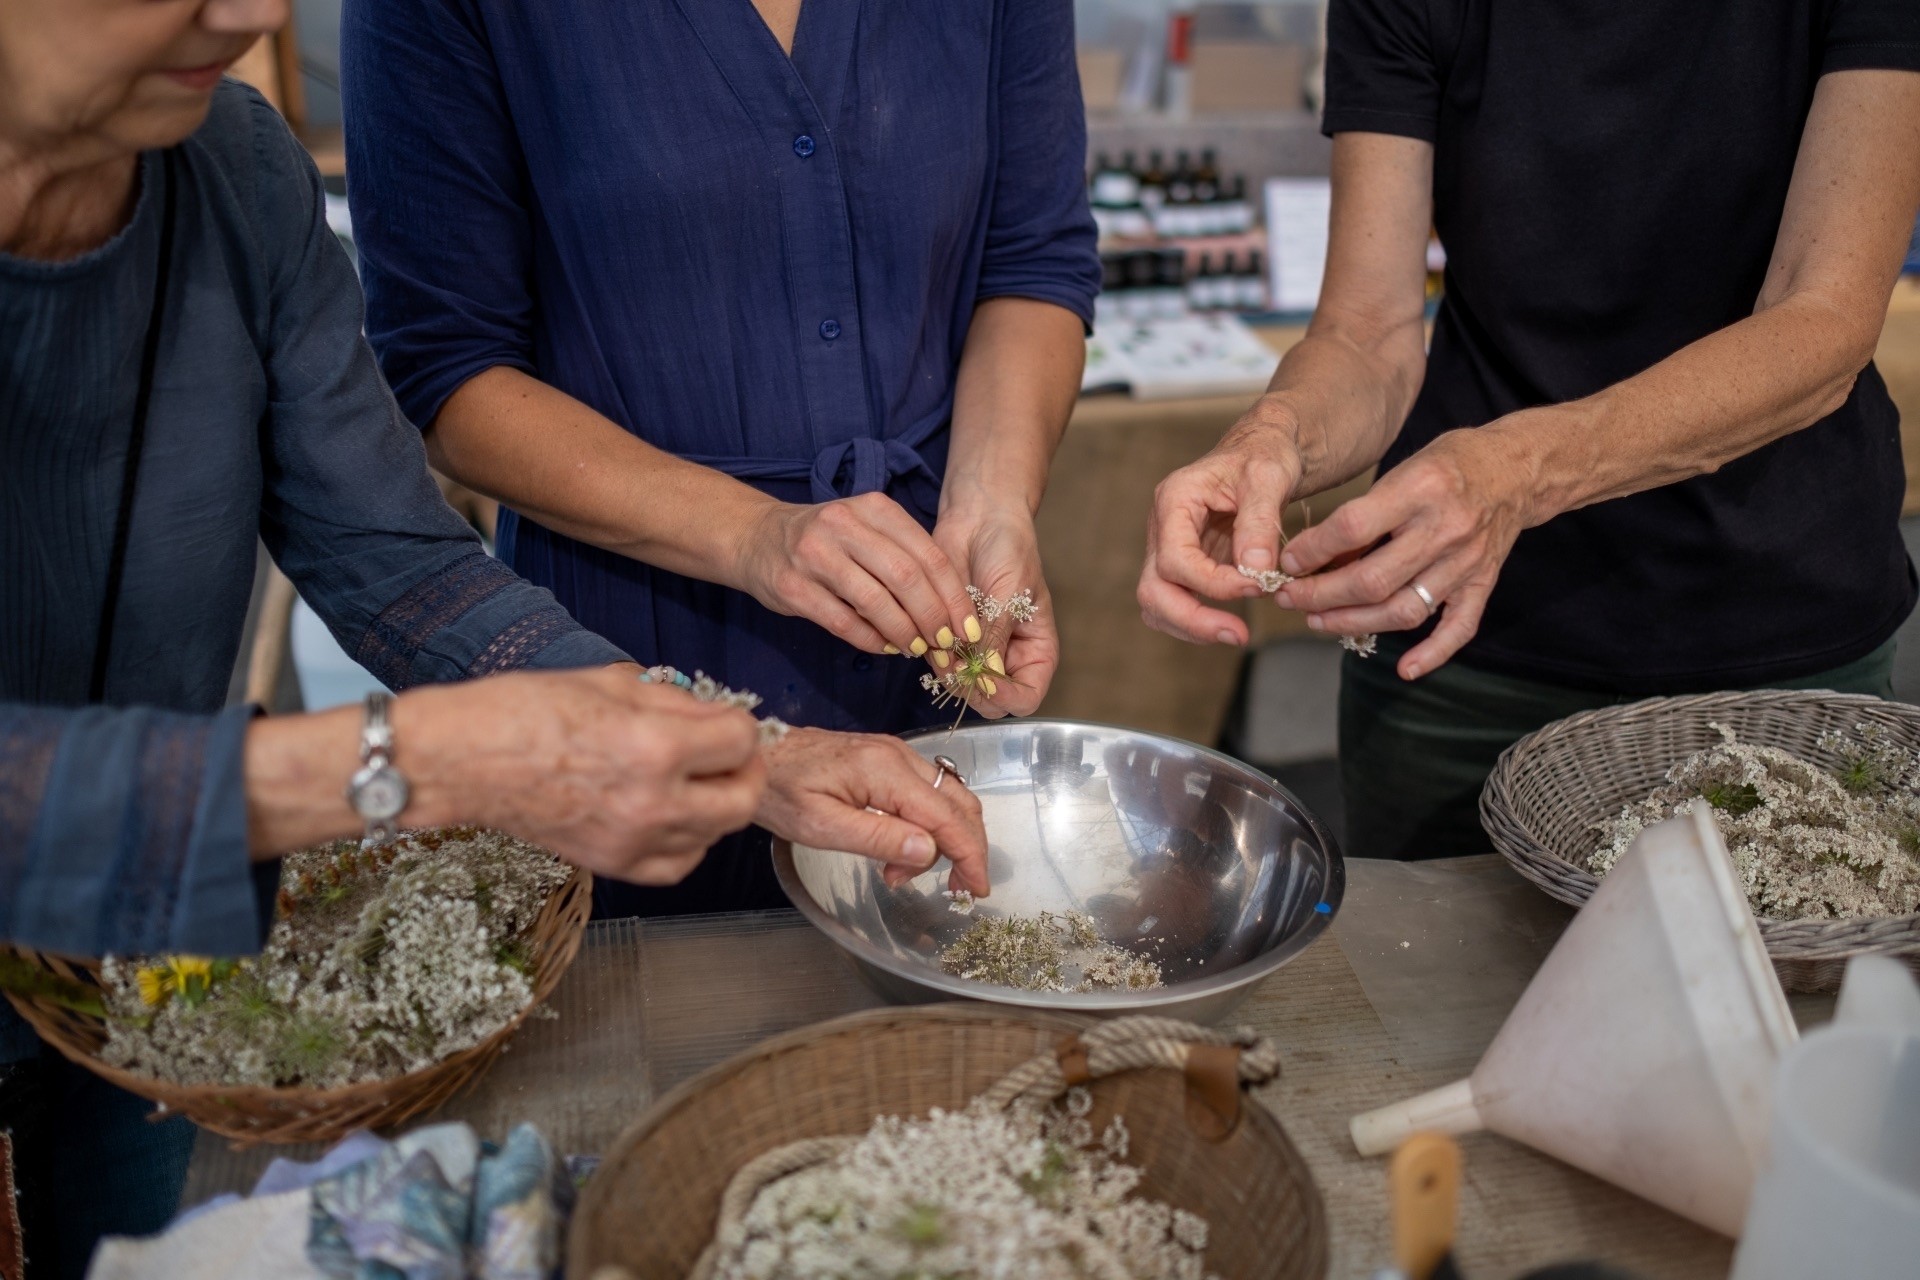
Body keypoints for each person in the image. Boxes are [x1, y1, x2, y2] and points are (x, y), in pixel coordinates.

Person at [0, 1, 986, 1271]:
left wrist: (748, 745)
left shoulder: (236, 175)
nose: (252, 11)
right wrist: (394, 764)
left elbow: (404, 567)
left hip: (144, 969)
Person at [338, 0, 1100, 913]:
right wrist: (756, 535)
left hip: (927, 626)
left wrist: (992, 500)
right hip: (625, 632)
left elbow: (1031, 260)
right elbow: (450, 370)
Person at [1139, 1, 1920, 861]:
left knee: (1782, 992)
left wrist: (1519, 469)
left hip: (1772, 640)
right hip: (1458, 652)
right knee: (1430, 979)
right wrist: (1274, 437)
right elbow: (1370, 330)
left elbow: (1825, 320)